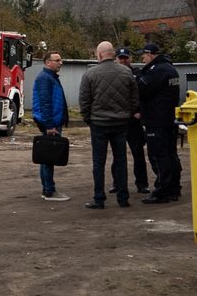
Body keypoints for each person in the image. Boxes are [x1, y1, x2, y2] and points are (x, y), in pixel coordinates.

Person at [78, 41, 139, 209]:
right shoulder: (126, 72)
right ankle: (123, 197)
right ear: (113, 54)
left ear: (99, 55)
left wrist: (88, 118)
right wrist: (128, 114)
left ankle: (99, 198)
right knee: (121, 160)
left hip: (99, 123)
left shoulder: (90, 74)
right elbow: (134, 98)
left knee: (99, 162)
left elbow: (84, 100)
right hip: (121, 122)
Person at [138, 43, 183, 204]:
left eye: (144, 55)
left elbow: (142, 88)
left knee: (159, 156)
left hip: (157, 120)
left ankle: (162, 191)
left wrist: (137, 76)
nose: (143, 59)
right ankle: (174, 188)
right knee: (171, 154)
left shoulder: (157, 70)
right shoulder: (170, 69)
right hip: (169, 119)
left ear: (150, 54)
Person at [31, 51, 71, 201]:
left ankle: (47, 189)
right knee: (49, 157)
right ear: (48, 62)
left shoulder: (50, 77)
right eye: (57, 60)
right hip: (50, 123)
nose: (61, 63)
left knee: (47, 157)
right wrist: (49, 126)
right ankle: (49, 191)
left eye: (61, 60)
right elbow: (45, 103)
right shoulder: (45, 78)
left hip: (53, 121)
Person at [115, 48, 151, 194]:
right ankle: (117, 183)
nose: (123, 60)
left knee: (138, 153)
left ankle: (142, 183)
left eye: (126, 58)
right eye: (121, 58)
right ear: (116, 59)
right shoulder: (113, 73)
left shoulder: (137, 73)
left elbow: (144, 94)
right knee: (118, 154)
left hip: (133, 120)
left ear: (130, 58)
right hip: (118, 119)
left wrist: (140, 112)